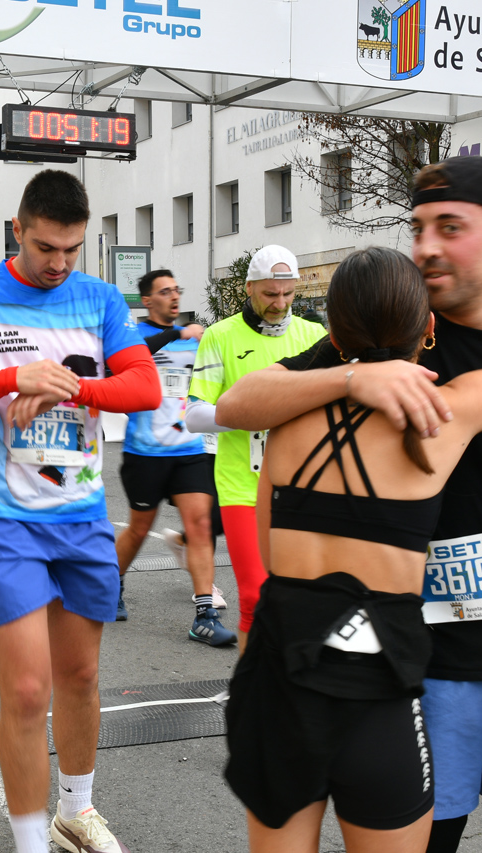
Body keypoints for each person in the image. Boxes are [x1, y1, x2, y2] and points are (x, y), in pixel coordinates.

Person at [215, 156, 482, 853]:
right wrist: (353, 376)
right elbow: (242, 400)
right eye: (418, 227)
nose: (426, 246)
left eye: (450, 227)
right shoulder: (399, 340)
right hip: (415, 662)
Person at [0, 170, 159, 853]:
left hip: (81, 517)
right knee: (26, 689)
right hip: (3, 519)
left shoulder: (98, 298)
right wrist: (11, 377)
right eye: (46, 247)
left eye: (72, 249)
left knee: (80, 676)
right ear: (17, 230)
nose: (59, 263)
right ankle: (28, 843)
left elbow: (144, 386)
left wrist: (68, 387)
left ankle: (75, 812)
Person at [184, 245, 324, 652]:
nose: (279, 304)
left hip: (301, 484)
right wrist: (253, 413)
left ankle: (286, 679)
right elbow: (194, 415)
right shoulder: (220, 335)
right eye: (269, 294)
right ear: (249, 288)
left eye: (287, 294)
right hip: (242, 486)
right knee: (253, 596)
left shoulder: (314, 336)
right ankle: (250, 683)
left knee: (301, 597)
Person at [115, 268, 234, 645]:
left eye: (176, 290)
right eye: (165, 291)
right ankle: (111, 583)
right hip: (145, 453)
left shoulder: (195, 340)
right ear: (147, 300)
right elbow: (128, 361)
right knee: (138, 530)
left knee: (200, 524)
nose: (174, 296)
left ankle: (205, 615)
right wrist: (176, 334)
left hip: (189, 450)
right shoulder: (134, 336)